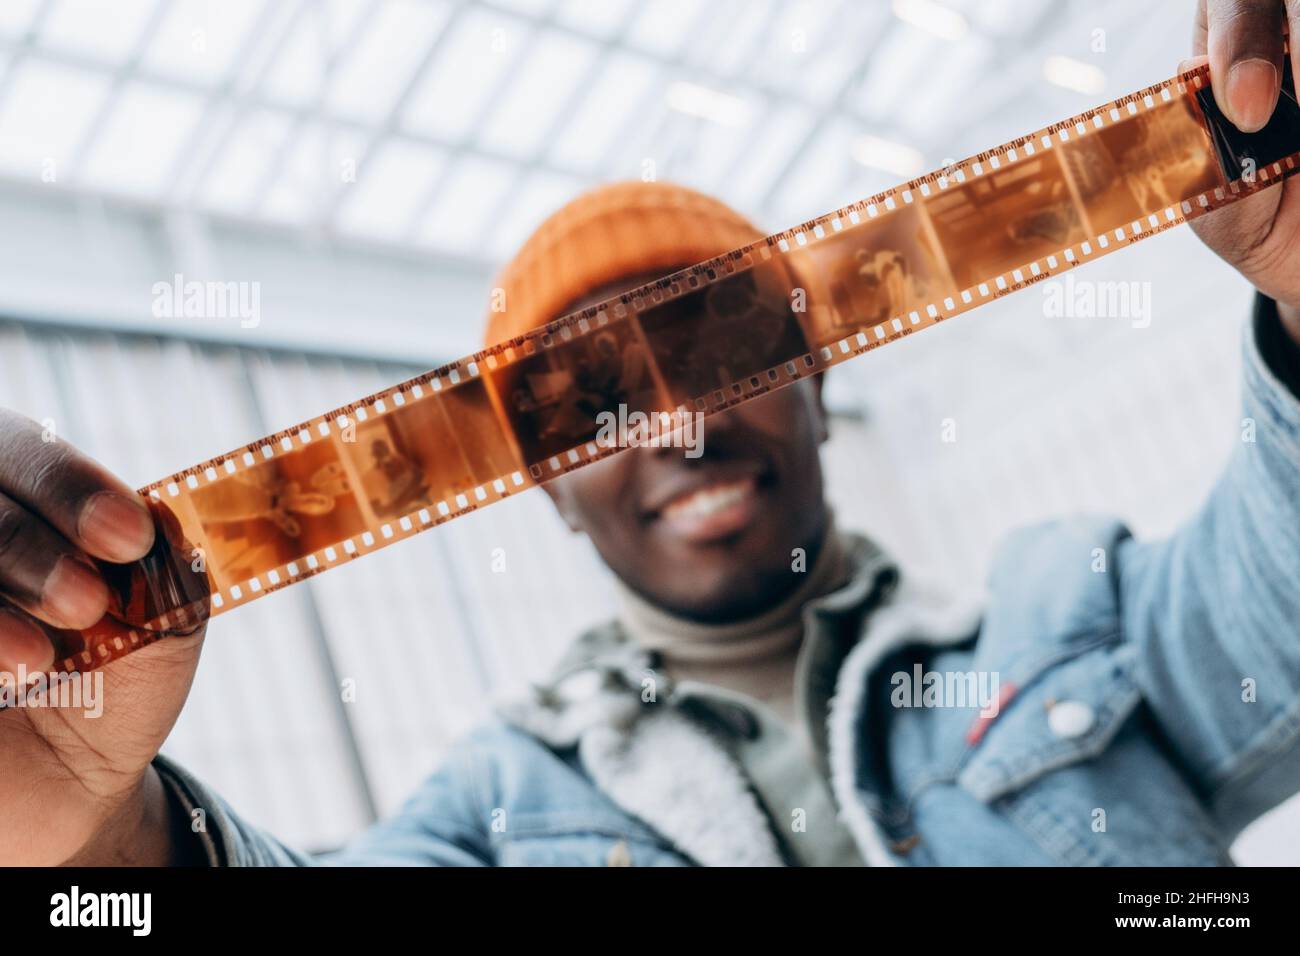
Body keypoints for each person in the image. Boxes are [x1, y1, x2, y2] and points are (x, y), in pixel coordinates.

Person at [2, 0, 1300, 867]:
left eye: (723, 354)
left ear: (817, 388)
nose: (675, 422)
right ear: (551, 492)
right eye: (593, 407)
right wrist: (96, 829)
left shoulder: (1081, 621)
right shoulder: (492, 818)